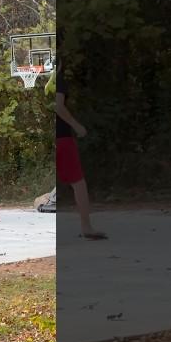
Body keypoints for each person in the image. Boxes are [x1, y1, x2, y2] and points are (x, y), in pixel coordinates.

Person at [55, 59, 107, 239]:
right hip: (61, 137)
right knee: (78, 182)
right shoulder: (58, 80)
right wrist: (77, 126)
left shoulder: (43, 82)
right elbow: (59, 106)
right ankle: (87, 227)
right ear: (60, 64)